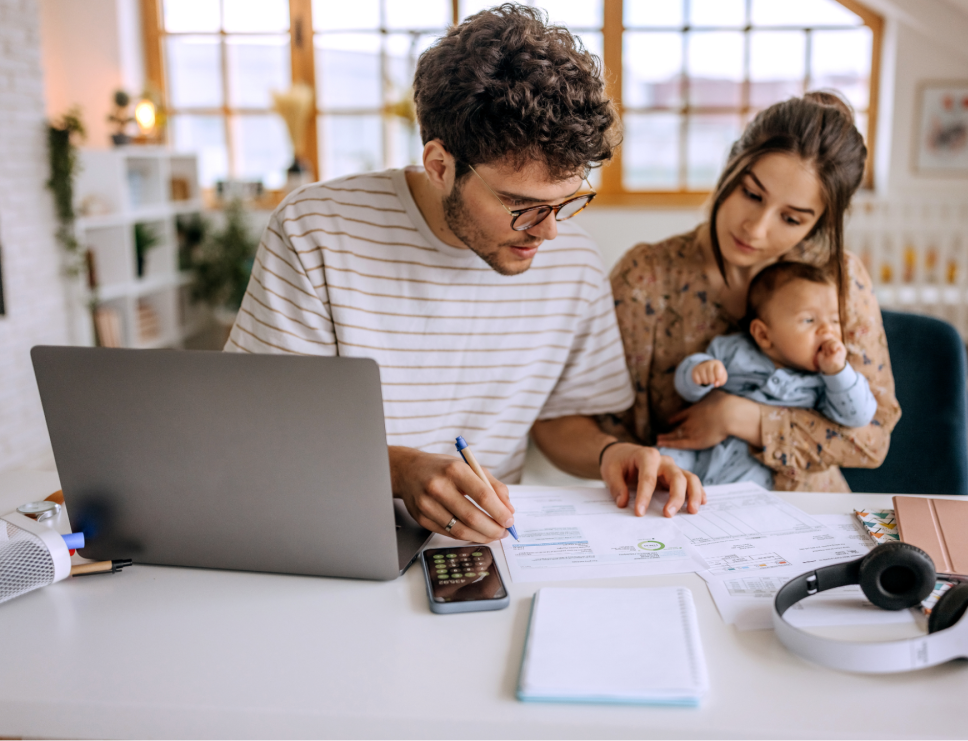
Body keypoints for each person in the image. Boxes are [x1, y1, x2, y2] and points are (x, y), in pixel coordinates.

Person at [224, 4, 705, 544]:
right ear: (439, 165)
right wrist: (402, 471)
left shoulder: (573, 260)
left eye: (566, 202)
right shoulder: (317, 230)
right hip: (332, 530)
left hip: (488, 545)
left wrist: (612, 453)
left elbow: (558, 420)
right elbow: (263, 431)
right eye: (521, 204)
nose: (547, 233)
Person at [602, 91, 902, 499]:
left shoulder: (840, 278)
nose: (756, 228)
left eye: (791, 218)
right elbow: (601, 430)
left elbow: (872, 440)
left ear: (817, 225)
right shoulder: (646, 277)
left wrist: (741, 416)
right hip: (677, 506)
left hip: (808, 515)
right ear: (730, 165)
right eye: (752, 194)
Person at [659, 261, 878, 488]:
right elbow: (686, 390)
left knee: (745, 493)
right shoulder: (734, 350)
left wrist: (838, 372)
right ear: (763, 335)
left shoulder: (825, 382)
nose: (827, 330)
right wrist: (698, 372)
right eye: (809, 320)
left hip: (753, 463)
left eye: (835, 320)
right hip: (700, 449)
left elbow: (858, 416)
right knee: (662, 461)